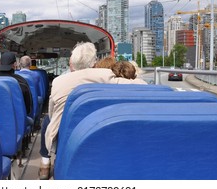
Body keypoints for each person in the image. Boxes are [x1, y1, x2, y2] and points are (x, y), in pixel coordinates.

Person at [38, 42, 147, 180]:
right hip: (104, 139)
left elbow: (53, 113)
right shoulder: (106, 76)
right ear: (94, 62)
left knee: (49, 120)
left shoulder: (58, 82)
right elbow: (142, 86)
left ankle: (45, 162)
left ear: (72, 63)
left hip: (65, 142)